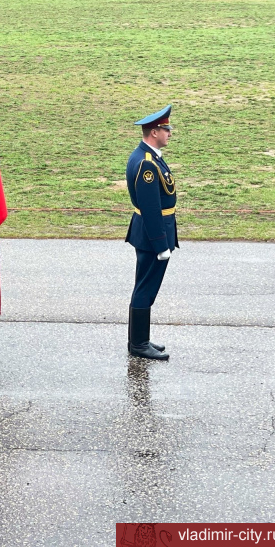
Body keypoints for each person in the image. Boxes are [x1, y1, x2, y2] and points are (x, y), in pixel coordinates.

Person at [125, 105, 177, 361]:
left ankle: (138, 339)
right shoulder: (146, 163)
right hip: (152, 233)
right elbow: (151, 208)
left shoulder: (151, 156)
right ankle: (138, 344)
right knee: (146, 288)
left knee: (144, 286)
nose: (170, 133)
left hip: (152, 231)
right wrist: (161, 244)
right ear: (154, 131)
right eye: (166, 129)